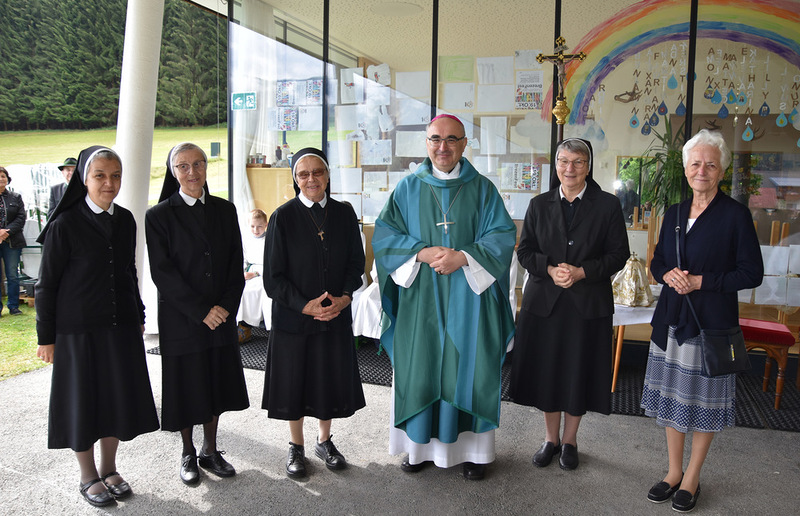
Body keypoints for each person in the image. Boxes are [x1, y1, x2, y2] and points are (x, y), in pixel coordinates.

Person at [372, 114, 516, 481]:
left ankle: (474, 452)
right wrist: (420, 253)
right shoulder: (407, 189)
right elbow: (385, 236)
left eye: (452, 140)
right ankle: (417, 448)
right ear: (426, 143)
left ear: (465, 144)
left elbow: (501, 236)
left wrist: (463, 256)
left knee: (468, 366)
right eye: (435, 139)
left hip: (470, 297)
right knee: (420, 365)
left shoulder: (483, 189)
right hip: (421, 297)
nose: (443, 147)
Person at [641, 129, 763, 512]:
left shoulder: (735, 215)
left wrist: (700, 281)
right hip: (671, 320)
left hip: (710, 325)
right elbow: (657, 261)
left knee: (704, 403)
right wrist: (667, 275)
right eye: (696, 163)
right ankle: (673, 471)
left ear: (721, 170)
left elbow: (751, 273)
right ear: (685, 167)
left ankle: (693, 476)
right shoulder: (675, 213)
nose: (702, 170)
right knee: (671, 399)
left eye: (711, 164)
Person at [34, 146, 159, 507]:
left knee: (115, 399)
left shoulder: (126, 220)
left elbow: (129, 272)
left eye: (115, 175)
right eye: (100, 175)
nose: (109, 183)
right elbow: (46, 285)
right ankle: (87, 475)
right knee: (83, 403)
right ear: (84, 179)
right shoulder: (65, 225)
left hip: (119, 326)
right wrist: (46, 337)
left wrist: (138, 315)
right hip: (78, 332)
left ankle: (109, 467)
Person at [509, 138, 629, 471]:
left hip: (587, 303)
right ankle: (550, 439)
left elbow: (619, 254)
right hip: (545, 303)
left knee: (578, 372)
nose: (569, 168)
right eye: (563, 161)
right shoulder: (539, 204)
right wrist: (549, 268)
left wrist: (582, 271)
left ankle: (571, 440)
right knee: (548, 372)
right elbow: (524, 252)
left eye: (577, 162)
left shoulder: (607, 205)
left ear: (588, 166)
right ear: (556, 165)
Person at [145, 142, 249, 486]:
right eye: (183, 166)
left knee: (215, 384)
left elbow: (236, 263)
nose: (192, 173)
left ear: (206, 167)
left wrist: (225, 308)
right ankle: (188, 451)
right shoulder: (158, 215)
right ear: (173, 171)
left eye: (198, 164)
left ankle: (210, 449)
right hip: (183, 320)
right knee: (187, 387)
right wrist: (202, 311)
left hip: (220, 316)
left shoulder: (225, 209)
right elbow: (163, 272)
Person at [262, 147, 366, 479]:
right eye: (303, 174)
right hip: (295, 319)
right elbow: (273, 277)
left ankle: (324, 440)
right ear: (295, 179)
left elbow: (355, 263)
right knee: (295, 382)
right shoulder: (282, 216)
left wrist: (345, 297)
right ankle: (296, 447)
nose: (311, 179)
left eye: (317, 172)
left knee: (327, 379)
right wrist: (304, 305)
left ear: (327, 175)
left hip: (334, 316)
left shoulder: (344, 213)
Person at [236, 208, 272, 331]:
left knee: (264, 292)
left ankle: (269, 326)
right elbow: (243, 259)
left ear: (266, 225)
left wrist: (257, 273)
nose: (256, 230)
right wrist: (243, 273)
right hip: (250, 272)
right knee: (243, 290)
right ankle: (244, 325)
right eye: (252, 226)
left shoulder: (270, 240)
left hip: (265, 273)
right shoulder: (245, 240)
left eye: (259, 226)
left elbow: (272, 262)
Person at [0, 166, 26, 317]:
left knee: (12, 275)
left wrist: (5, 232)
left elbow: (21, 218)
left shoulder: (15, 197)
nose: (1, 179)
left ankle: (13, 306)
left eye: (3, 176)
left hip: (12, 242)